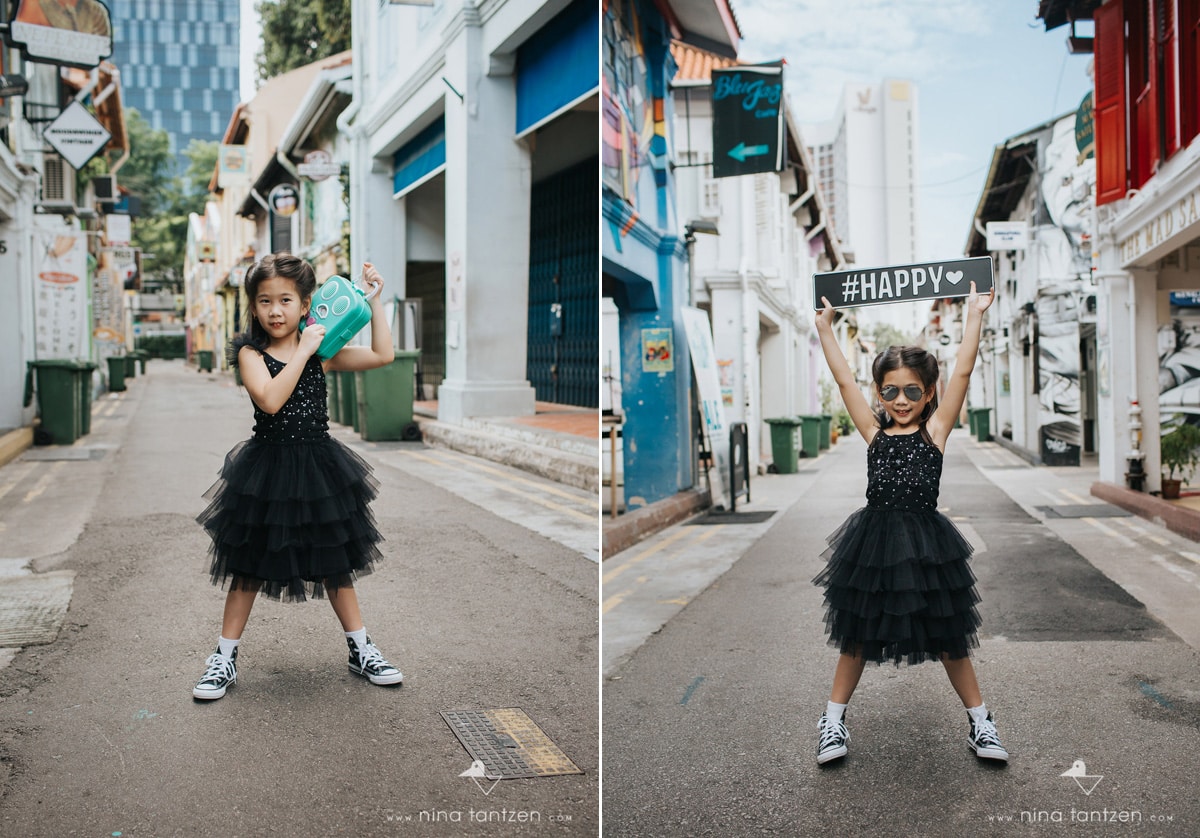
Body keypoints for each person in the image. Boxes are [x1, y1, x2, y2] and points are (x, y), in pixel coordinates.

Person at [811, 281, 1007, 765]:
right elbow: (841, 381)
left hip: (926, 546)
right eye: (891, 390)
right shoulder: (874, 433)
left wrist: (975, 314)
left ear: (929, 393)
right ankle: (832, 723)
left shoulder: (935, 432)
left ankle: (981, 724)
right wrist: (824, 330)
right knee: (857, 635)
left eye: (913, 391)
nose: (901, 400)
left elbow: (962, 369)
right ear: (879, 392)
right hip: (873, 545)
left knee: (949, 639)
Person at [192, 253, 401, 700]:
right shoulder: (251, 354)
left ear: (306, 304)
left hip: (319, 468)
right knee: (247, 567)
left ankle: (360, 649)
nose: (275, 311)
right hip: (265, 471)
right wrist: (304, 351)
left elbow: (385, 355)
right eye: (264, 301)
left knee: (335, 565)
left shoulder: (324, 352)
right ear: (253, 308)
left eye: (286, 300)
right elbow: (269, 400)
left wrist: (374, 302)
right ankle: (223, 658)